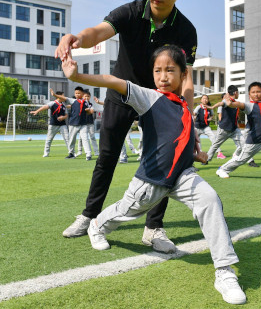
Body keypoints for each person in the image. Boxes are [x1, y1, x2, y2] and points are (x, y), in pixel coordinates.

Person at [61, 45, 247, 305]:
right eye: (157, 70)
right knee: (125, 211)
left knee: (210, 199)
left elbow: (177, 142)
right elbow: (115, 81)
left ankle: (224, 271)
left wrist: (197, 155)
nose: (163, 76)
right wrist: (77, 77)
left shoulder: (183, 107)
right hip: (150, 181)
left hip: (183, 176)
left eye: (171, 70)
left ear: (182, 75)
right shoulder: (148, 97)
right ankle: (96, 225)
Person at [56, 0, 197, 254]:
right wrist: (76, 38)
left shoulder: (186, 31)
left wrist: (187, 116)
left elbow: (186, 78)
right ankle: (89, 215)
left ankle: (153, 228)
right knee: (106, 157)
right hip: (123, 93)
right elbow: (98, 32)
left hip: (161, 104)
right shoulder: (131, 12)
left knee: (162, 164)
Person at [207, 86, 258, 167]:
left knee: (244, 144)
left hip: (234, 130)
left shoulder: (235, 103)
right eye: (238, 92)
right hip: (224, 129)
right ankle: (207, 159)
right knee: (215, 145)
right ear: (235, 93)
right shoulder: (227, 101)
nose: (238, 94)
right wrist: (212, 107)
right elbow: (221, 103)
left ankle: (250, 161)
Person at [51, 87, 93, 161]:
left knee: (85, 139)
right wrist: (54, 95)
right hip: (73, 124)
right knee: (71, 139)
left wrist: (88, 110)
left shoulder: (86, 102)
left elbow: (89, 112)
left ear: (82, 94)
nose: (77, 94)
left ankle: (88, 154)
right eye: (76, 93)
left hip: (83, 124)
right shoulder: (72, 101)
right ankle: (71, 153)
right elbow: (64, 98)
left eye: (79, 93)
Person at [30, 91, 69, 157]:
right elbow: (45, 107)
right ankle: (46, 153)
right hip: (53, 125)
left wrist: (63, 117)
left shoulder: (63, 105)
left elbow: (66, 115)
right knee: (49, 139)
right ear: (58, 96)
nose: (64, 97)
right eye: (62, 96)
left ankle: (71, 152)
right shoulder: (52, 103)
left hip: (62, 125)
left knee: (67, 138)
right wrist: (37, 111)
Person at [193, 94, 226, 161]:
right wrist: (194, 117)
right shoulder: (198, 107)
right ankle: (200, 154)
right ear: (201, 100)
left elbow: (212, 115)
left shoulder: (209, 108)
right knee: (197, 142)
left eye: (206, 99)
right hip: (197, 127)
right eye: (203, 98)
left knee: (213, 138)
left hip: (206, 127)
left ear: (208, 100)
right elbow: (194, 114)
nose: (205, 100)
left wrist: (210, 118)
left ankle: (219, 153)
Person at [76, 91, 99, 157]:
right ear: (82, 96)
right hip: (82, 123)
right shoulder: (80, 104)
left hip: (90, 123)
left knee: (92, 137)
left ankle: (96, 151)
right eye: (85, 96)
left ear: (90, 97)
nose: (86, 97)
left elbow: (92, 111)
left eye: (88, 96)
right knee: (80, 138)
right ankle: (79, 151)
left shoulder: (91, 104)